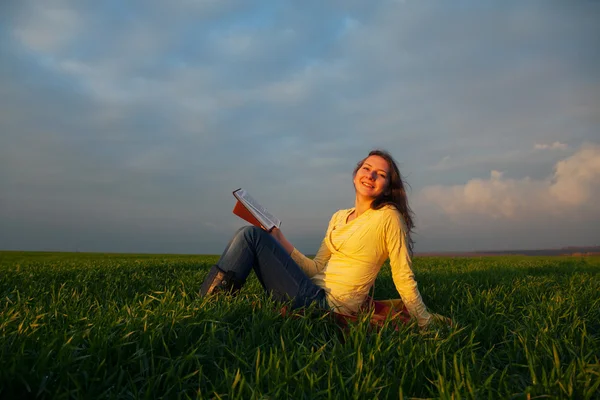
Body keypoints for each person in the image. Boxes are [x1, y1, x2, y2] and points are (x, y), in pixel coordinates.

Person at [200, 149, 448, 329]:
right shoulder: (339, 217)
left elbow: (402, 276)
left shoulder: (388, 218)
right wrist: (279, 238)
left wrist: (424, 320)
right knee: (252, 234)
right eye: (366, 169)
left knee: (249, 235)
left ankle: (206, 307)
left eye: (380, 174)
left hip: (327, 306)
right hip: (308, 292)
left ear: (387, 186)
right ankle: (212, 307)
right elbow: (315, 268)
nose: (371, 176)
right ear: (355, 175)